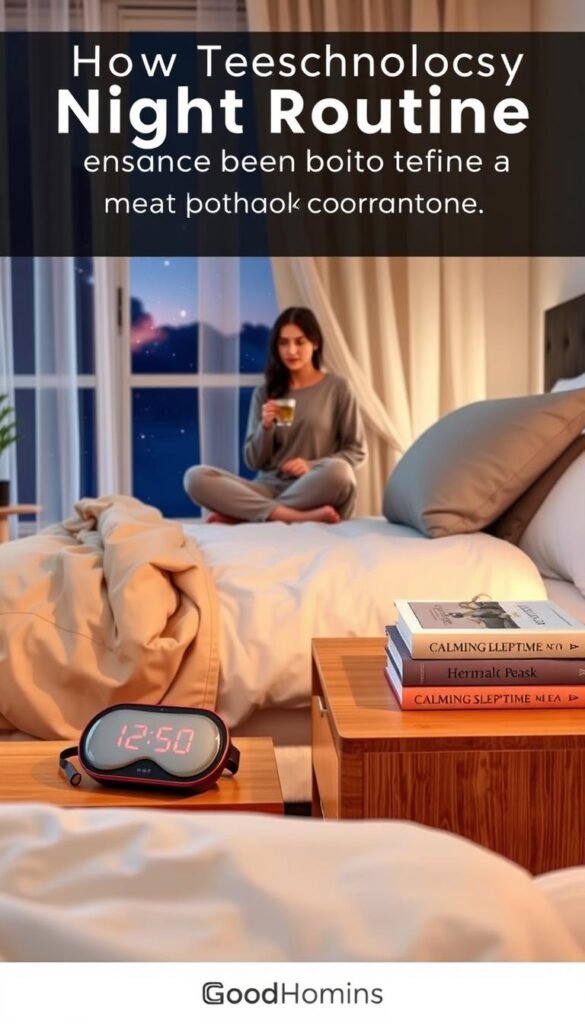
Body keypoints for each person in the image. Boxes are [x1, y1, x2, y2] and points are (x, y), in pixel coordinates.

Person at [183, 307, 367, 524]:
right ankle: (289, 516)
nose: (291, 351)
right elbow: (253, 461)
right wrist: (266, 428)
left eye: (300, 342)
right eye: (283, 343)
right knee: (195, 477)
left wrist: (312, 464)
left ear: (315, 343)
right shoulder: (265, 392)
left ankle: (248, 516)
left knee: (341, 472)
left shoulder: (338, 388)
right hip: (267, 488)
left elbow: (356, 451)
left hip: (314, 486)